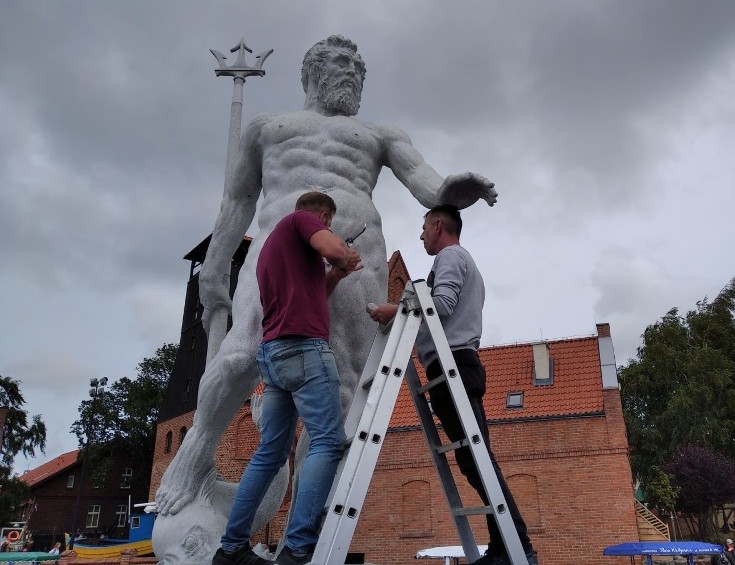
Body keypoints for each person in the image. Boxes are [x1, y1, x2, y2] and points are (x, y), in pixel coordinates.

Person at [154, 35, 497, 559]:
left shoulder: (381, 134)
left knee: (336, 403)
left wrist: (456, 188)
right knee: (238, 357)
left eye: (359, 68)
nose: (352, 73)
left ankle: (305, 542)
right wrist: (215, 272)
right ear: (310, 72)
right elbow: (236, 203)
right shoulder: (268, 128)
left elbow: (430, 186)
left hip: (359, 256)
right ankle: (198, 452)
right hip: (278, 249)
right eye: (340, 64)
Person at [369, 206, 537, 565]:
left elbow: (441, 304)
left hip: (453, 366)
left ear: (438, 225)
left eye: (424, 227)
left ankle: (516, 544)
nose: (421, 235)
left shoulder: (450, 256)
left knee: (478, 461)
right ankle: (504, 545)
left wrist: (393, 312)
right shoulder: (458, 260)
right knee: (473, 461)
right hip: (453, 367)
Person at [213, 192, 361, 565]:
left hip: (275, 355)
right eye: (326, 224)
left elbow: (315, 293)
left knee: (271, 453)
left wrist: (337, 274)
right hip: (304, 351)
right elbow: (334, 249)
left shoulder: (273, 251)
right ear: (323, 217)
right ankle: (297, 549)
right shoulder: (300, 221)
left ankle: (230, 549)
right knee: (327, 443)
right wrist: (345, 254)